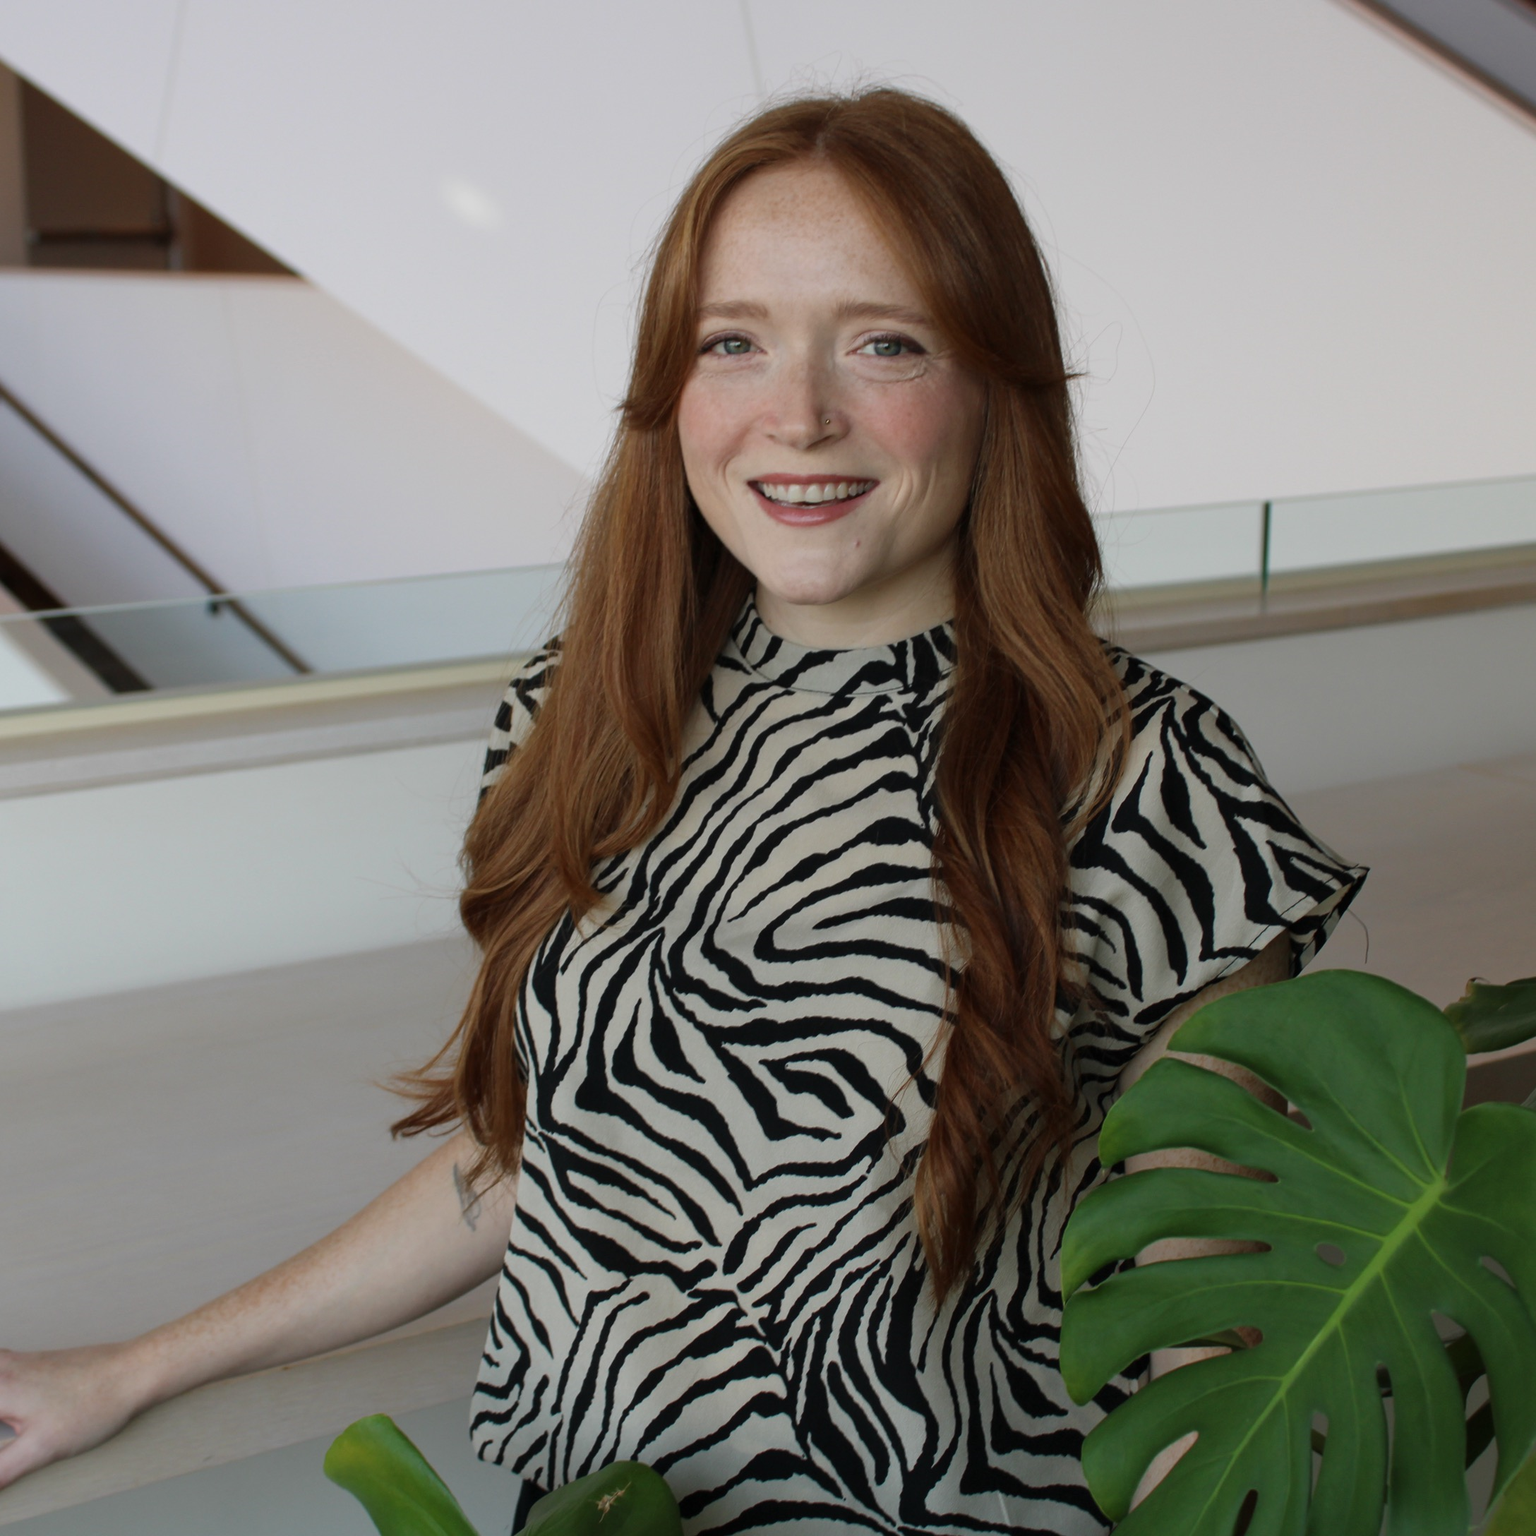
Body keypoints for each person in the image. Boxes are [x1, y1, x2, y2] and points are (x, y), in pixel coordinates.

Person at [0, 89, 1363, 1534]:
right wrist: (139, 1366)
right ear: (671, 389)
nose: (800, 415)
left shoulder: (1147, 773)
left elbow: (1199, 1293)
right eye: (736, 342)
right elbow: (548, 1156)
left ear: (992, 382)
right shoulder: (591, 716)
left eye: (885, 342)